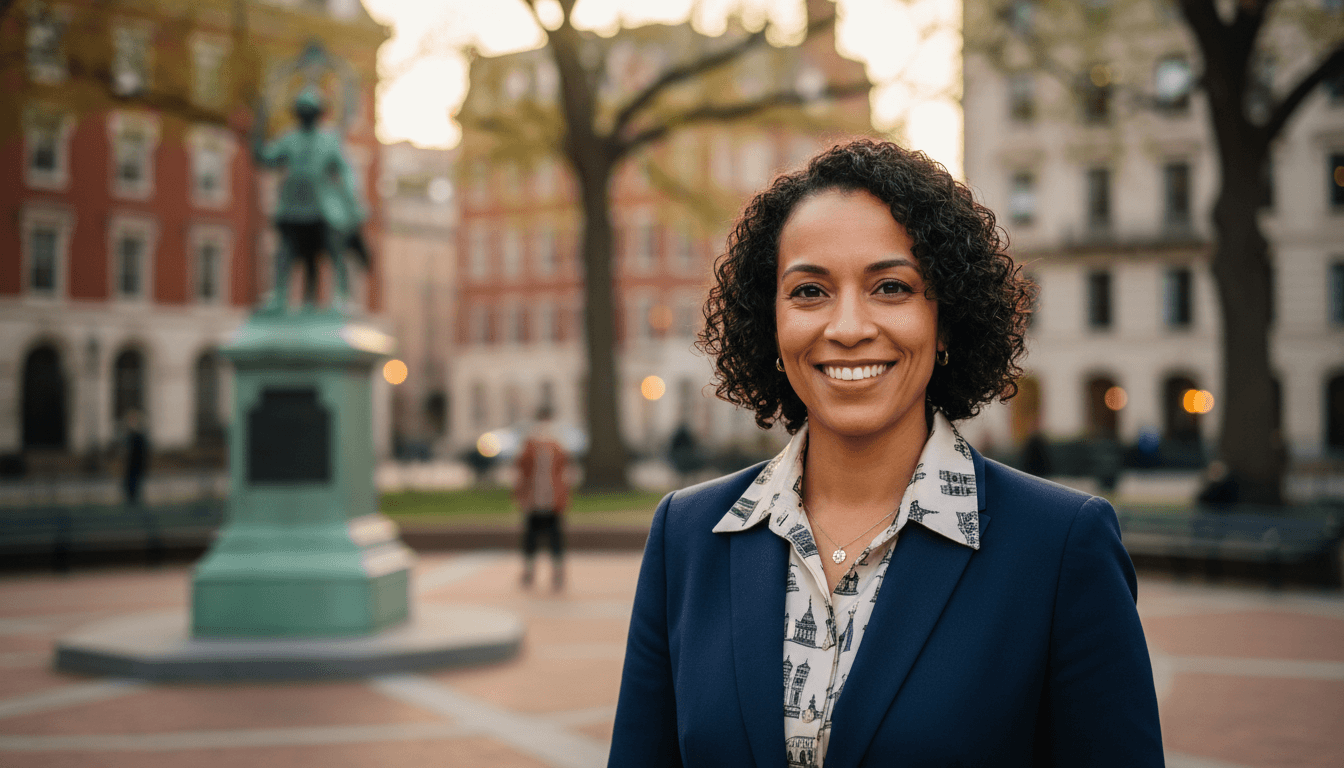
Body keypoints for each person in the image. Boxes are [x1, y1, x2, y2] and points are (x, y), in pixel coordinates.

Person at [608, 140, 1163, 767]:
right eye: (809, 292)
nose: (847, 327)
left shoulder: (1061, 547)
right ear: (770, 320)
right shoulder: (688, 536)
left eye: (891, 287)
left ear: (945, 319)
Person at [514, 406, 570, 590]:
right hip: (534, 499)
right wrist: (522, 495)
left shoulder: (557, 446)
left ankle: (557, 571)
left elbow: (563, 472)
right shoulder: (529, 445)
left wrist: (562, 496)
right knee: (531, 538)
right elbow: (522, 470)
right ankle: (529, 570)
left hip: (552, 500)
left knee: (555, 538)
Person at [122, 410, 149, 506]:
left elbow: (141, 455)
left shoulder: (138, 437)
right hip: (132, 469)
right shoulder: (132, 437)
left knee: (133, 491)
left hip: (135, 469)